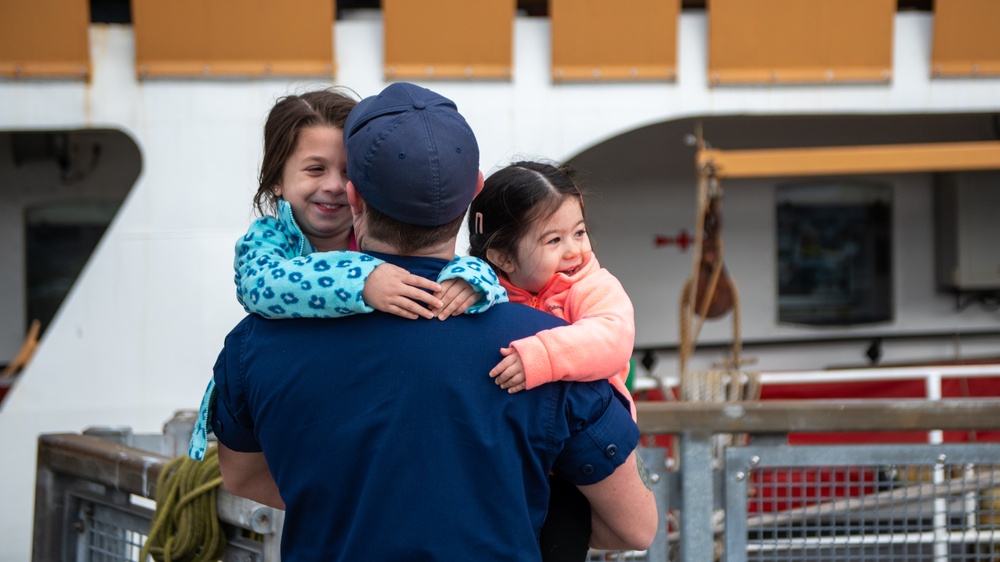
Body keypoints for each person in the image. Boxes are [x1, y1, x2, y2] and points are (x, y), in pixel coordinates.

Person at [212, 82, 658, 560]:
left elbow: (241, 475)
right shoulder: (552, 350)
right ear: (476, 191)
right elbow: (633, 530)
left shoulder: (255, 342)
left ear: (354, 195)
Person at [188, 88, 505, 461]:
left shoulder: (380, 237)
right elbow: (260, 285)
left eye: (346, 171)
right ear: (276, 179)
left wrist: (473, 278)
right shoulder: (268, 239)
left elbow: (446, 271)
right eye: (315, 169)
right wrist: (362, 281)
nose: (335, 186)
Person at [468, 161, 637, 560]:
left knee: (563, 530)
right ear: (502, 257)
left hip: (580, 449)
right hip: (518, 454)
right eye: (554, 240)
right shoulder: (485, 286)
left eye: (579, 232)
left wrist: (543, 355)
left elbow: (612, 337)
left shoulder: (592, 285)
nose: (575, 249)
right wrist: (465, 283)